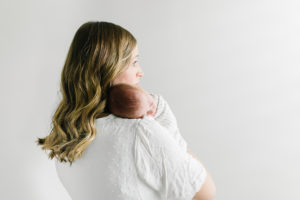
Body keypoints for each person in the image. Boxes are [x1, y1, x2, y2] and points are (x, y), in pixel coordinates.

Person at [36, 21, 216, 200]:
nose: (140, 72)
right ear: (109, 68)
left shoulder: (65, 136)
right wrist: (165, 121)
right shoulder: (140, 132)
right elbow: (205, 193)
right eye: (134, 62)